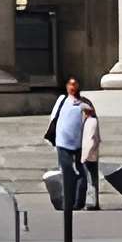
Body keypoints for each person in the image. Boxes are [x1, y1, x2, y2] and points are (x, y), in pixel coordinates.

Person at [47, 77, 94, 211]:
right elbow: (53, 118)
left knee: (81, 172)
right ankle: (67, 201)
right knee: (66, 171)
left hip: (79, 143)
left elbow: (92, 120)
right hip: (62, 142)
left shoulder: (84, 103)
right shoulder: (62, 100)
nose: (72, 87)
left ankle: (78, 202)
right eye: (70, 84)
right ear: (67, 86)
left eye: (75, 84)